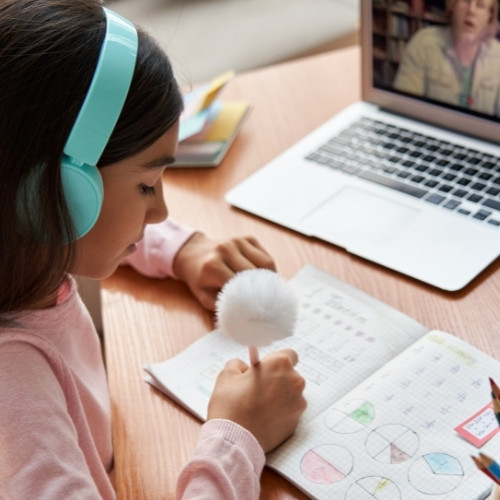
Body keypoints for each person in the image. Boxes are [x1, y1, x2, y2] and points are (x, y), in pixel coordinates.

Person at [0, 1, 307, 498]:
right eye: (147, 185)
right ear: (59, 194)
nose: (161, 210)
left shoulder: (27, 255)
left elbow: (97, 228)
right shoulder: (14, 389)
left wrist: (183, 249)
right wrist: (238, 438)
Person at [394, 0, 500, 115]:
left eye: (480, 6)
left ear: (489, 17)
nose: (471, 10)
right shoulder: (423, 44)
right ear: (452, 6)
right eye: (465, 1)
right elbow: (403, 109)